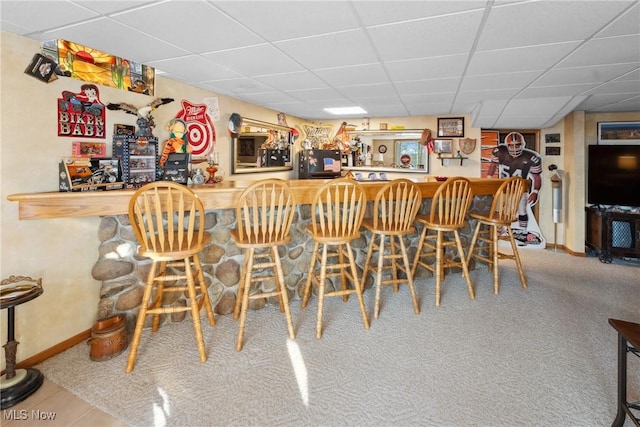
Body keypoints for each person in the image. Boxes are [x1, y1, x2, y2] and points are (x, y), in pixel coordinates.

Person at [486, 131, 542, 229]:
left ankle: (522, 231)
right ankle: (499, 231)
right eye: (511, 145)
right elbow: (493, 165)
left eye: (517, 145)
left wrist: (535, 191)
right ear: (507, 145)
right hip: (503, 188)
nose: (515, 148)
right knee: (498, 211)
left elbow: (536, 176)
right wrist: (489, 179)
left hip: (520, 189)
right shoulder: (500, 152)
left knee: (522, 211)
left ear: (523, 145)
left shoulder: (532, 157)